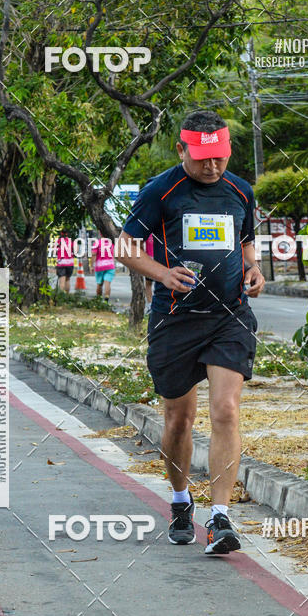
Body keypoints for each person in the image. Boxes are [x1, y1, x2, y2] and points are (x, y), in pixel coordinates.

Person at [115, 110, 265, 554]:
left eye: (220, 157)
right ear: (181, 150)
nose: (212, 166)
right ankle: (181, 501)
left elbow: (245, 240)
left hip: (229, 316)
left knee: (226, 410)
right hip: (175, 320)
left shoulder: (241, 190)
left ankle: (220, 518)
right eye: (202, 158)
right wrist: (162, 274)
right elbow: (125, 246)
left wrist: (254, 268)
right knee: (179, 418)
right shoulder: (160, 191)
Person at [90, 233, 115, 302]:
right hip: (110, 265)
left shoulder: (97, 243)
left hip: (99, 266)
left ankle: (98, 300)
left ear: (100, 234)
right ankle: (106, 301)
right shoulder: (111, 243)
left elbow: (94, 254)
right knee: (107, 283)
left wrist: (91, 266)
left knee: (99, 284)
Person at [144, 233, 155, 315]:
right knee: (148, 283)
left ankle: (151, 305)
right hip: (150, 261)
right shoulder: (148, 234)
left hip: (159, 261)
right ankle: (150, 305)